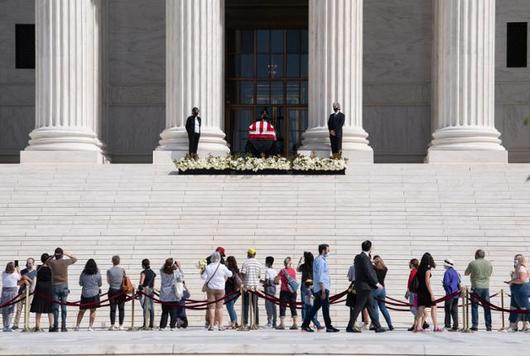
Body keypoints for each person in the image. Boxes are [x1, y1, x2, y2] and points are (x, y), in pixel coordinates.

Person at [346, 241, 385, 333]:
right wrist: (377, 283)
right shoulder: (365, 258)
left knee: (370, 306)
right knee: (358, 307)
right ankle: (350, 326)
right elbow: (368, 272)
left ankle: (377, 326)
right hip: (365, 287)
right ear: (370, 248)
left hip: (362, 286)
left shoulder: (358, 257)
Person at [301, 244, 339, 333]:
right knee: (325, 307)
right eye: (328, 250)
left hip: (320, 288)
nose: (328, 252)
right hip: (322, 288)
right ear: (323, 250)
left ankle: (305, 325)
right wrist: (323, 290)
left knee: (315, 308)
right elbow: (320, 275)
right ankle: (329, 326)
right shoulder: (320, 261)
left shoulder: (320, 260)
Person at [47, 248, 77, 332]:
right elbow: (75, 259)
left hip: (55, 286)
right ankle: (64, 326)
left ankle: (56, 326)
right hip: (64, 286)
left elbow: (46, 262)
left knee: (55, 307)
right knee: (64, 307)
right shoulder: (65, 262)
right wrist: (66, 254)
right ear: (62, 254)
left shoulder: (52, 262)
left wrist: (53, 255)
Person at [201, 252, 233, 331]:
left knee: (211, 308)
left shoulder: (208, 267)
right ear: (219, 258)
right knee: (220, 307)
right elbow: (230, 274)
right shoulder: (222, 267)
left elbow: (203, 277)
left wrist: (202, 270)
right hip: (220, 289)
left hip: (211, 289)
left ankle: (211, 325)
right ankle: (220, 325)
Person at [464, 249, 493, 331]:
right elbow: (490, 274)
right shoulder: (489, 263)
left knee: (474, 306)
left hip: (476, 286)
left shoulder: (473, 263)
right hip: (486, 287)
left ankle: (475, 325)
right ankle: (488, 325)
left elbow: (466, 273)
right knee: (487, 307)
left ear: (476, 255)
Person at [414, 252, 442, 332]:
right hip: (426, 290)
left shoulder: (419, 268)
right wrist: (431, 294)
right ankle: (436, 326)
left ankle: (418, 326)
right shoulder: (427, 269)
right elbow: (427, 282)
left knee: (421, 308)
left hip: (420, 290)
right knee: (434, 306)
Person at [74, 259, 102, 331]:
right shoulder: (97, 273)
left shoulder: (83, 273)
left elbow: (80, 283)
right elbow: (100, 284)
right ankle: (90, 326)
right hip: (95, 294)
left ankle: (77, 326)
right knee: (93, 310)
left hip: (85, 294)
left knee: (82, 311)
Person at [297, 251, 323, 330]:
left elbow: (297, 269)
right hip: (313, 285)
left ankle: (306, 323)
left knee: (305, 305)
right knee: (313, 305)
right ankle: (315, 324)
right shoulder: (314, 266)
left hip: (305, 285)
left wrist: (300, 261)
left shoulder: (304, 266)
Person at [240, 248, 263, 329]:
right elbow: (259, 276)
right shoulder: (258, 264)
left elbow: (243, 274)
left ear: (248, 254)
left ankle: (245, 323)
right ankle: (256, 323)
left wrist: (243, 283)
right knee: (255, 306)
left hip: (247, 286)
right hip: (255, 287)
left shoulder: (245, 263)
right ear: (255, 254)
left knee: (246, 305)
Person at [30, 254, 54, 332]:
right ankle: (51, 325)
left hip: (39, 288)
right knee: (50, 308)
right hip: (48, 288)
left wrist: (32, 289)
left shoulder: (38, 267)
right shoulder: (51, 268)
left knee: (38, 308)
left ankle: (37, 326)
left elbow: (35, 278)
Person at [159, 258, 184, 331]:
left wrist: (167, 264)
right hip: (172, 293)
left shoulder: (162, 271)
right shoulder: (175, 272)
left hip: (164, 293)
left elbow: (162, 267)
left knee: (165, 311)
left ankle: (162, 326)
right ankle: (172, 326)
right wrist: (178, 267)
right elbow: (182, 277)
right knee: (173, 311)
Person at [13, 257, 37, 330]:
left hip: (29, 293)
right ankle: (15, 324)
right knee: (19, 309)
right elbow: (18, 283)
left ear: (33, 263)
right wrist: (23, 278)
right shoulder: (22, 271)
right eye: (27, 262)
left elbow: (34, 283)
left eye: (30, 263)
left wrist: (27, 278)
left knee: (27, 310)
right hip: (21, 293)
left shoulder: (35, 272)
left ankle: (26, 324)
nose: (28, 264)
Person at [405, 258, 429, 331]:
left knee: (413, 308)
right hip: (417, 292)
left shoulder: (414, 272)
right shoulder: (418, 271)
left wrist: (408, 292)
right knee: (417, 309)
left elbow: (411, 283)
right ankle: (416, 324)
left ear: (412, 264)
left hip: (414, 292)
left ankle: (422, 322)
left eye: (410, 263)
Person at [371, 255, 393, 330]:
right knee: (383, 308)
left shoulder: (373, 268)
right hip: (383, 289)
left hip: (375, 289)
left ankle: (376, 325)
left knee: (375, 307)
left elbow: (368, 264)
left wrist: (372, 261)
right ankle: (390, 324)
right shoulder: (385, 269)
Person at [275, 257, 298, 330]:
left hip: (284, 291)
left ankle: (282, 324)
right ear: (290, 263)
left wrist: (276, 280)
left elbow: (276, 280)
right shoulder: (293, 270)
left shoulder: (282, 271)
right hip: (293, 291)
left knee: (282, 307)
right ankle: (295, 324)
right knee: (293, 307)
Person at [508, 254, 530, 332]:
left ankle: (527, 325)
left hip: (522, 289)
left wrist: (512, 281)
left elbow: (522, 280)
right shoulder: (517, 268)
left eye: (516, 259)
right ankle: (513, 325)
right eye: (514, 259)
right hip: (516, 290)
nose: (515, 260)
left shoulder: (522, 268)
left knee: (524, 307)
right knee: (513, 307)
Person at [107, 255, 126, 330]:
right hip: (121, 291)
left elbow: (108, 281)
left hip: (112, 290)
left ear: (112, 261)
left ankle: (112, 325)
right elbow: (124, 280)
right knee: (121, 308)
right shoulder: (122, 270)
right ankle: (121, 325)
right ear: (119, 261)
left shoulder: (109, 270)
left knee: (112, 308)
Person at [1, 262, 21, 331]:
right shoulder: (15, 274)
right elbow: (20, 278)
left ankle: (5, 325)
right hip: (13, 293)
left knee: (5, 310)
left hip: (4, 292)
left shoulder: (3, 273)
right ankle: (8, 325)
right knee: (11, 310)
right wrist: (18, 270)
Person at [442, 258, 460, 331]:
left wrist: (446, 288)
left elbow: (446, 283)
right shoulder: (455, 272)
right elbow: (458, 282)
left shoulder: (447, 272)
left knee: (447, 310)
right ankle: (455, 325)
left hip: (450, 293)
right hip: (456, 293)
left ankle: (447, 324)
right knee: (454, 310)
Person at [138, 258, 156, 330]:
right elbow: (153, 283)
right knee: (151, 307)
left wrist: (139, 289)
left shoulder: (143, 272)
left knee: (145, 307)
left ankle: (145, 324)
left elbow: (141, 282)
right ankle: (151, 323)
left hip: (145, 291)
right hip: (151, 290)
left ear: (143, 265)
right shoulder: (153, 273)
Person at [225, 256, 241, 329]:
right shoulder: (236, 270)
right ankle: (234, 321)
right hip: (236, 291)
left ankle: (234, 322)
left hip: (229, 291)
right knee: (231, 307)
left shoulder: (228, 270)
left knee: (230, 307)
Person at [263, 256, 278, 328]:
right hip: (273, 288)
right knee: (273, 305)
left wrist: (262, 282)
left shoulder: (267, 271)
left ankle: (269, 322)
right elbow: (276, 281)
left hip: (268, 289)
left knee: (268, 305)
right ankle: (275, 321)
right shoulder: (274, 271)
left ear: (268, 262)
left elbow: (267, 281)